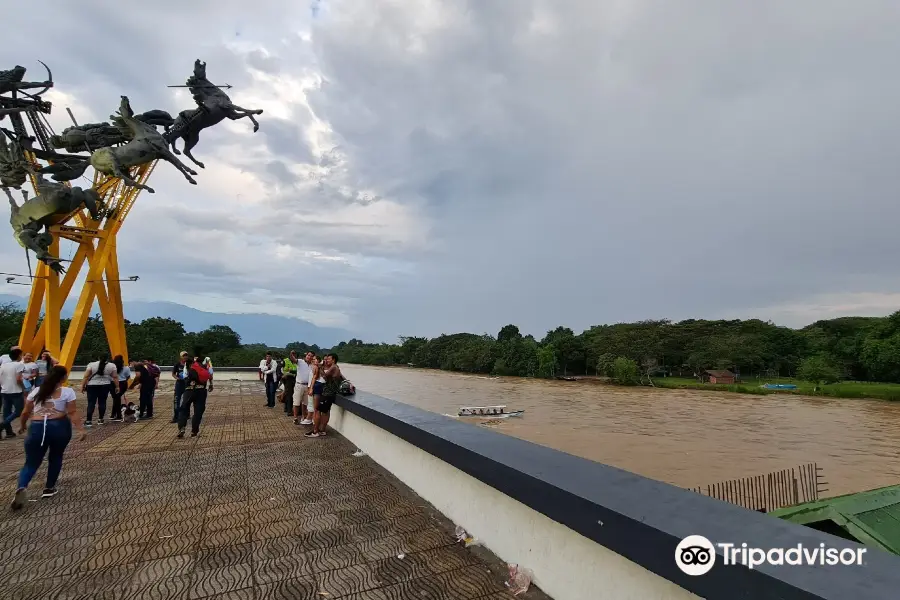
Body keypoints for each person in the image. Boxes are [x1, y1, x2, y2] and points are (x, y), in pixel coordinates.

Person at [11, 365, 86, 509]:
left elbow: (26, 412)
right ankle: (49, 488)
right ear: (64, 377)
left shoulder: (36, 391)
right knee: (56, 456)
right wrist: (81, 429)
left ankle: (22, 486)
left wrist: (22, 426)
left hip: (37, 427)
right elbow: (72, 412)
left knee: (31, 462)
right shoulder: (67, 391)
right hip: (59, 426)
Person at [177, 355, 213, 438]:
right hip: (201, 391)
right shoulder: (205, 367)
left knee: (183, 409)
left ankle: (182, 428)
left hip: (189, 391)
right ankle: (194, 431)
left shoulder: (189, 366)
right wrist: (211, 384)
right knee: (198, 412)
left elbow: (183, 376)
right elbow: (210, 375)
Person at [307, 353, 341, 438]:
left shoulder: (333, 367)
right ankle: (320, 430)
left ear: (333, 360)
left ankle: (316, 431)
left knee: (318, 410)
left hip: (327, 392)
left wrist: (320, 368)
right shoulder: (334, 367)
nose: (326, 360)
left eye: (328, 359)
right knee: (323, 411)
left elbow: (325, 377)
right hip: (327, 391)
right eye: (325, 359)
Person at [81, 356, 117, 427]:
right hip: (105, 385)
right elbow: (115, 377)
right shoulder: (112, 365)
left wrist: (82, 386)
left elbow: (86, 376)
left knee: (91, 403)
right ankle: (100, 419)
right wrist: (117, 386)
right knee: (102, 402)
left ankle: (89, 421)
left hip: (92, 385)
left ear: (98, 358)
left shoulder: (91, 364)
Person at [0, 348, 26, 440]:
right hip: (16, 390)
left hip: (4, 390)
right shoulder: (19, 364)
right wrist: (24, 388)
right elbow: (19, 379)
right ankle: (2, 426)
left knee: (6, 412)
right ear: (19, 355)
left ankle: (9, 432)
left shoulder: (3, 365)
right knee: (18, 411)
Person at [293, 351, 312, 425]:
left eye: (311, 356)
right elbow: (293, 359)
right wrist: (291, 354)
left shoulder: (312, 365)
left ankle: (303, 416)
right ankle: (295, 417)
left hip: (307, 386)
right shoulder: (300, 361)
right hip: (299, 385)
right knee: (296, 402)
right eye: (308, 355)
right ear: (306, 355)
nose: (309, 357)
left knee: (305, 403)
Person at [110, 355, 131, 422]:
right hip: (122, 383)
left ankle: (115, 414)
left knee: (116, 398)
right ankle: (116, 415)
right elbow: (128, 376)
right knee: (117, 398)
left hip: (113, 383)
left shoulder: (111, 367)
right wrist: (124, 380)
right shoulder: (126, 368)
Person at [171, 351, 189, 423]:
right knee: (176, 400)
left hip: (186, 384)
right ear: (181, 357)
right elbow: (173, 374)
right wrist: (177, 378)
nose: (185, 357)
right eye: (184, 356)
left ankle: (186, 415)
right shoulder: (177, 365)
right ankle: (176, 416)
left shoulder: (189, 364)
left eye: (186, 356)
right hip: (179, 384)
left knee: (187, 400)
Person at [281, 351, 297, 416]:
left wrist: (292, 371)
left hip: (294, 379)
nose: (293, 355)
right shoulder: (285, 361)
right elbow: (281, 369)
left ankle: (286, 408)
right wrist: (284, 375)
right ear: (290, 355)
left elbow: (297, 370)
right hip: (287, 379)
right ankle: (289, 411)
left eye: (294, 354)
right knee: (289, 395)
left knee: (289, 394)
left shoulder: (296, 362)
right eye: (292, 354)